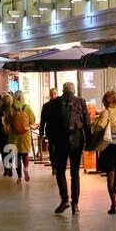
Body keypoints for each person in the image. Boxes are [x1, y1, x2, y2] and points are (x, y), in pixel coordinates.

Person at [44, 82, 89, 213]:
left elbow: (50, 124)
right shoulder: (81, 101)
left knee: (60, 171)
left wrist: (51, 140)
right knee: (75, 173)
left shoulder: (55, 103)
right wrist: (88, 141)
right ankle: (75, 203)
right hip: (77, 141)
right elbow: (86, 123)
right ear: (74, 91)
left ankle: (64, 199)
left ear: (63, 91)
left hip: (60, 141)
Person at [94, 90, 116, 213]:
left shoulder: (106, 112)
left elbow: (99, 127)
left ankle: (113, 203)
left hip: (109, 147)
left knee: (111, 175)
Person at [4, 92, 34, 183]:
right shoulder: (27, 107)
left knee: (16, 156)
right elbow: (33, 120)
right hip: (25, 135)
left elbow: (6, 120)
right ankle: (26, 168)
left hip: (14, 135)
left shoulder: (10, 108)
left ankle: (19, 177)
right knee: (25, 154)